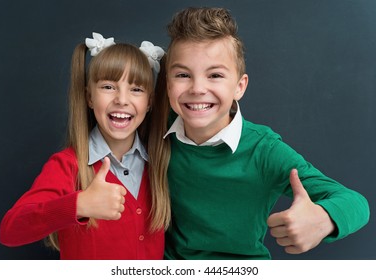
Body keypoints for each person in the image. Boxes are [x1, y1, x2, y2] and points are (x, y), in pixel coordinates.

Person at [153, 7, 370, 259]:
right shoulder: (154, 129)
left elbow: (356, 202)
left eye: (215, 75)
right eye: (183, 75)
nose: (198, 88)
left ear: (239, 86)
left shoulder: (264, 150)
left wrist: (324, 220)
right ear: (168, 84)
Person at [0, 32, 170, 259]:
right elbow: (10, 231)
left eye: (136, 89)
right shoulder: (68, 165)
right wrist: (79, 205)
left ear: (149, 103)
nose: (121, 99)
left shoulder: (161, 162)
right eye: (108, 87)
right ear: (89, 98)